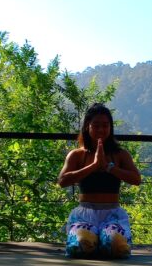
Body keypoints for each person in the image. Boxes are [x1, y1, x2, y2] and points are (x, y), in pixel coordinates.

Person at [57, 103, 141, 258]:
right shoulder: (77, 155)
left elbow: (136, 179)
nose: (101, 130)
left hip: (112, 214)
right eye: (96, 126)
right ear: (87, 127)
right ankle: (94, 240)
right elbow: (62, 181)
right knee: (81, 245)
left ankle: (102, 240)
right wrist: (93, 166)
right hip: (85, 214)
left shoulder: (120, 154)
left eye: (105, 125)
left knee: (116, 246)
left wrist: (110, 168)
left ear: (111, 127)